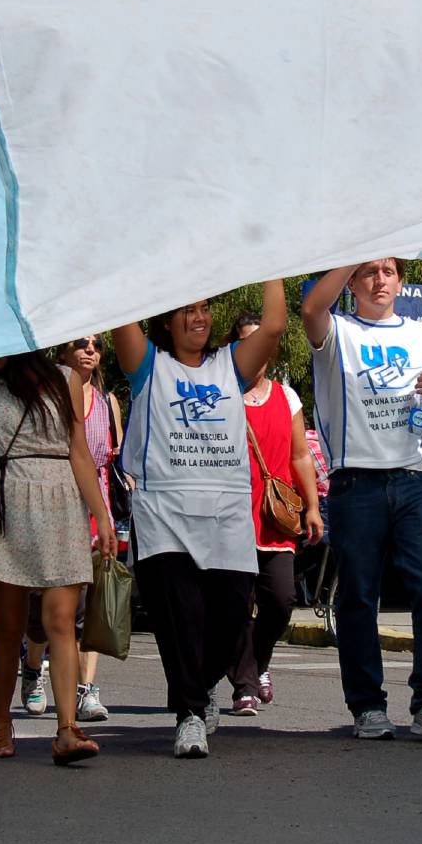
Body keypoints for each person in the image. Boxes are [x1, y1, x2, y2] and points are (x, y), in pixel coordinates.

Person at [113, 281, 285, 758]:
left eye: (205, 307)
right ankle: (189, 714)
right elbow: (118, 307)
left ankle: (199, 686)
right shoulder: (149, 366)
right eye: (187, 310)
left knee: (231, 621)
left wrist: (271, 262)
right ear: (166, 321)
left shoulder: (229, 364)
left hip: (226, 515)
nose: (200, 317)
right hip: (165, 515)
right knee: (181, 619)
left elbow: (273, 326)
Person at [303, 259, 422, 742]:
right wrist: (357, 243)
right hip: (356, 482)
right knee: (357, 595)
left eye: (389, 271)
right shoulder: (337, 331)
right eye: (368, 272)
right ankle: (367, 705)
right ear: (352, 282)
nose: (379, 280)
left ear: (400, 283)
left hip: (414, 480)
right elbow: (311, 306)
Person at [0, 351, 116, 764]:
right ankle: (0, 723)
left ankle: (66, 729)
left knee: (62, 621)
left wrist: (101, 515)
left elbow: (80, 451)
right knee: (10, 626)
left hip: (61, 501)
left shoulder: (64, 377)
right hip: (8, 502)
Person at [220, 313, 323, 714]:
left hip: (275, 516)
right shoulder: (220, 395)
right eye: (246, 343)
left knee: (281, 600)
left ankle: (258, 663)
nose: (255, 351)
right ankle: (243, 685)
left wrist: (312, 506)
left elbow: (300, 455)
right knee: (236, 606)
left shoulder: (287, 396)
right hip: (230, 516)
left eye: (262, 342)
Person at [43, 333, 129, 723]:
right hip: (57, 502)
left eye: (95, 344)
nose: (90, 350)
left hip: (97, 505)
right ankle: (33, 670)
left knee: (90, 600)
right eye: (80, 343)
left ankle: (87, 689)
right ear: (63, 351)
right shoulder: (51, 396)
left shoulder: (109, 402)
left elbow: (117, 459)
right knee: (50, 607)